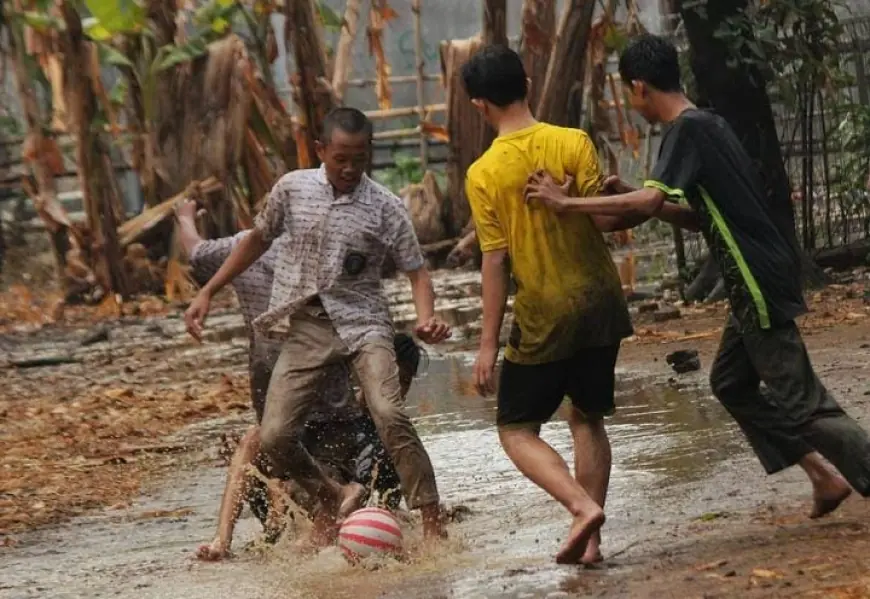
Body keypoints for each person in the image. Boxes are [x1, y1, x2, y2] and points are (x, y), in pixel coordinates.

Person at [525, 33, 870, 518]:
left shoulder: (685, 130)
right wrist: (630, 193)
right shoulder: (709, 122)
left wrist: (566, 203)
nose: (631, 102)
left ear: (640, 86)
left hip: (754, 278)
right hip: (757, 275)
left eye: (629, 92)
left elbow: (646, 204)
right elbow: (697, 214)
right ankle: (823, 476)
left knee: (804, 402)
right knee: (730, 383)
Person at [183, 107, 451, 548]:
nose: (348, 168)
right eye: (339, 158)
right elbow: (257, 239)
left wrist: (426, 317)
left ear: (370, 154)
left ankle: (432, 519)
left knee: (388, 412)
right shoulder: (291, 189)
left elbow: (417, 271)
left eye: (358, 159)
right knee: (273, 435)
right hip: (306, 324)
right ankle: (330, 495)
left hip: (365, 324)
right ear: (321, 150)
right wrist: (209, 290)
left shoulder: (386, 208)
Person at [460, 45, 644, 566]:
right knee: (587, 418)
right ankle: (591, 545)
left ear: (480, 105)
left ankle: (580, 508)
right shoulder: (573, 141)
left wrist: (488, 344)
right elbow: (608, 219)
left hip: (545, 313)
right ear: (528, 81)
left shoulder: (484, 172)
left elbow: (495, 261)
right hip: (601, 301)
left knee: (516, 428)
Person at [174, 201, 414, 560]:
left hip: (325, 408)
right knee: (256, 444)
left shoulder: (320, 249)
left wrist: (184, 219)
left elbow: (194, 250)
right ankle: (225, 540)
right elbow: (196, 254)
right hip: (297, 405)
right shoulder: (247, 249)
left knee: (310, 525)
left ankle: (323, 521)